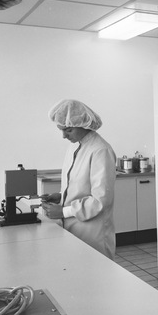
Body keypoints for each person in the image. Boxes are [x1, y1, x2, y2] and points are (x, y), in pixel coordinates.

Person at [41, 99, 117, 260]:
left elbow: (100, 200)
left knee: (96, 275)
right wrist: (61, 195)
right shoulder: (75, 145)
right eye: (61, 130)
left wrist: (63, 211)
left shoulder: (100, 150)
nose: (63, 136)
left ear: (82, 125)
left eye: (68, 130)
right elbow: (79, 185)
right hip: (74, 226)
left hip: (92, 231)